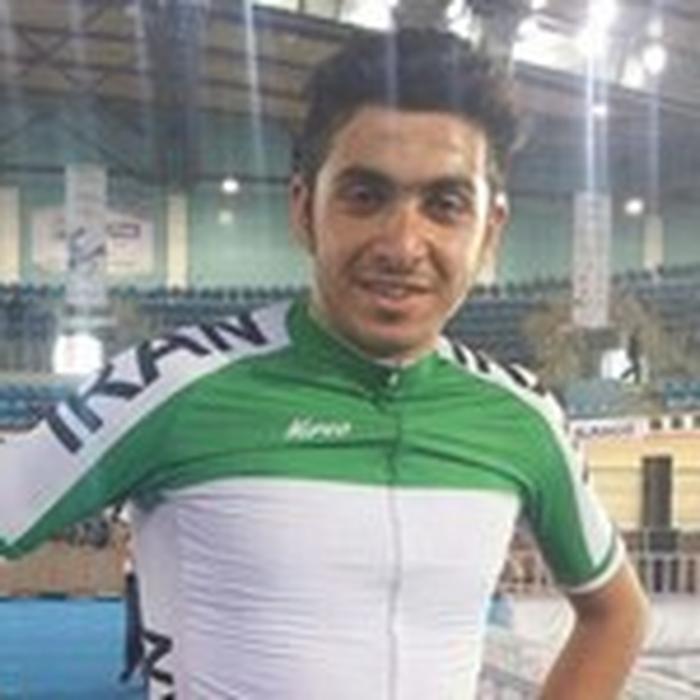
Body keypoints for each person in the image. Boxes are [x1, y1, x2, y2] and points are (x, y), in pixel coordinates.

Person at [0, 28, 648, 699]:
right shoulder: (174, 384)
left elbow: (617, 614)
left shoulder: (525, 417)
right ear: (305, 209)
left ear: (490, 231)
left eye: (445, 205)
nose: (403, 244)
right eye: (365, 196)